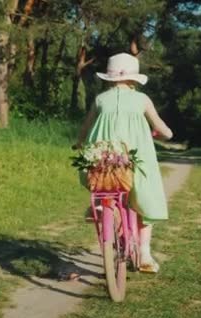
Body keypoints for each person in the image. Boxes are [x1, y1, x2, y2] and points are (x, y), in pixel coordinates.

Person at [74, 53, 173, 274]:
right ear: (134, 78)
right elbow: (162, 128)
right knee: (145, 196)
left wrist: (79, 143)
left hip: (104, 157)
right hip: (133, 157)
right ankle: (145, 253)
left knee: (102, 180)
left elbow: (86, 127)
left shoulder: (100, 99)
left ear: (109, 77)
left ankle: (100, 206)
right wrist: (165, 134)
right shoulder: (142, 100)